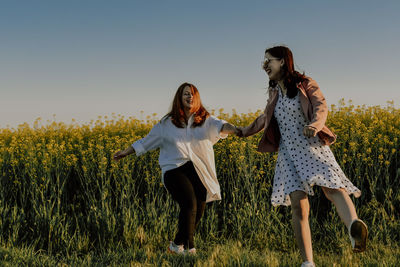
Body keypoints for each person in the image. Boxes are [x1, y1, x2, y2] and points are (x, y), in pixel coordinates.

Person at [236, 46, 368, 267]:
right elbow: (264, 119)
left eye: (270, 60)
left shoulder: (305, 83)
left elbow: (320, 106)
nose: (265, 65)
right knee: (299, 206)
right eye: (264, 61)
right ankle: (308, 263)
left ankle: (354, 227)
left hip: (312, 145)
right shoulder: (274, 92)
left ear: (284, 61)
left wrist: (315, 125)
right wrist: (243, 130)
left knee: (333, 187)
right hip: (288, 154)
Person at [113, 82, 239, 255]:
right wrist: (125, 152)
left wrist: (238, 130)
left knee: (200, 205)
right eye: (186, 94)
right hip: (173, 170)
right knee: (189, 202)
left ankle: (177, 244)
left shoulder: (205, 120)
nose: (190, 97)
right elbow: (146, 142)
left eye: (193, 94)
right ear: (179, 98)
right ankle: (189, 249)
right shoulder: (167, 123)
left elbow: (222, 126)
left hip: (196, 168)